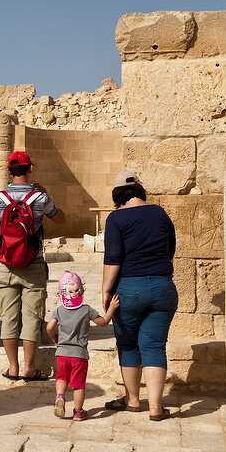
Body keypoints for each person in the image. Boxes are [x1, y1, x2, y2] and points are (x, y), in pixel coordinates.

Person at [101, 170, 177, 420]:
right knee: (154, 346)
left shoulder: (116, 219)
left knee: (129, 345)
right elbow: (170, 249)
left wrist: (105, 290)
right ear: (140, 190)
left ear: (117, 194)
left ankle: (133, 400)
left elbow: (113, 259)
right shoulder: (159, 212)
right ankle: (156, 407)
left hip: (129, 289)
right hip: (163, 286)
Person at [0, 151, 66, 381]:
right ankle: (29, 368)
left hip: (6, 265)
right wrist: (46, 195)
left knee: (8, 318)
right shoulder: (39, 198)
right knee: (32, 317)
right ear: (30, 168)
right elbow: (60, 219)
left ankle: (13, 368)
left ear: (9, 171)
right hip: (34, 264)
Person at [47, 271, 116, 421]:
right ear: (82, 291)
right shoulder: (86, 310)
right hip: (79, 356)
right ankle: (78, 412)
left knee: (62, 377)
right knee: (78, 385)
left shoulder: (59, 310)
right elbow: (103, 322)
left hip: (62, 353)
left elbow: (49, 328)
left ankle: (60, 396)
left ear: (60, 295)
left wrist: (55, 339)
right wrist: (111, 309)